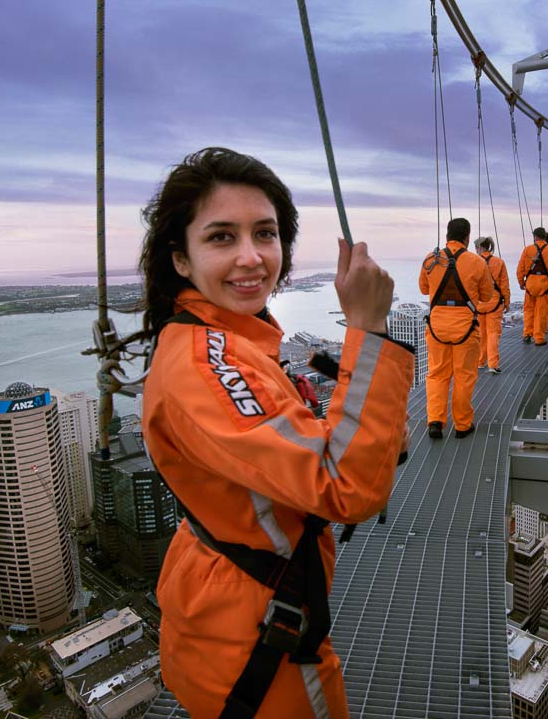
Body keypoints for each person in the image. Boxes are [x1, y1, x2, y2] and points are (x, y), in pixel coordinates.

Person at [140, 148, 414, 718]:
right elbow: (347, 489)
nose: (250, 257)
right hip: (255, 641)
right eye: (220, 237)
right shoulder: (205, 365)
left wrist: (370, 431)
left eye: (264, 233)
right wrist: (368, 328)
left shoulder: (234, 342)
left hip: (236, 610)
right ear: (181, 260)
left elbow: (281, 452)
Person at [419, 217, 495, 439]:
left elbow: (424, 289)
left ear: (446, 236)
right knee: (464, 376)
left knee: (437, 375)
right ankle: (462, 425)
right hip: (465, 328)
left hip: (437, 328)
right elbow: (487, 295)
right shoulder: (477, 262)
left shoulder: (431, 259)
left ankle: (435, 420)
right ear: (467, 237)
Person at [516, 227, 548, 345]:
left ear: (535, 236)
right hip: (545, 286)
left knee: (528, 310)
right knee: (541, 313)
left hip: (530, 285)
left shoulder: (527, 250)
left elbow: (520, 269)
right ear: (545, 236)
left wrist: (521, 282)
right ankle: (539, 338)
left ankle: (527, 333)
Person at [473, 236, 510, 374]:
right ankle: (493, 364)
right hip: (494, 302)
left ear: (479, 247)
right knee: (493, 333)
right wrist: (506, 301)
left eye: (476, 248)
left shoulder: (474, 262)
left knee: (481, 334)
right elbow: (504, 284)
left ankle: (480, 361)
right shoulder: (499, 262)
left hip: (479, 303)